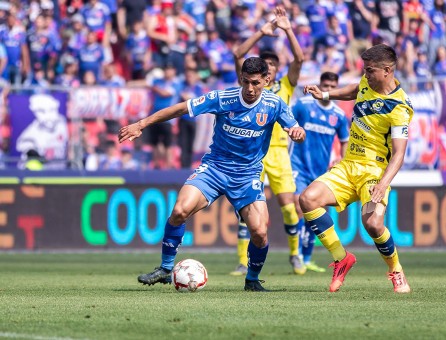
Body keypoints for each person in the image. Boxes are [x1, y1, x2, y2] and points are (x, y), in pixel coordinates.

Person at [118, 57, 306, 292]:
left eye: (256, 83)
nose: (249, 89)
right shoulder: (223, 98)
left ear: (266, 80)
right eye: (245, 82)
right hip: (215, 168)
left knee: (259, 231)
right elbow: (181, 108)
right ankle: (166, 269)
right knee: (179, 211)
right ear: (240, 78)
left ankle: (252, 280)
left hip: (247, 176)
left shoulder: (274, 104)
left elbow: (295, 128)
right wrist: (142, 124)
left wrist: (298, 133)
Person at [301, 44, 414, 293]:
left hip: (373, 172)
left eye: (370, 71)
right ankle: (341, 259)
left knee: (373, 224)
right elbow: (356, 90)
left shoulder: (399, 108)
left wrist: (383, 184)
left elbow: (399, 154)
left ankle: (396, 270)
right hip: (348, 164)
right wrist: (325, 96)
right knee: (308, 199)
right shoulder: (367, 81)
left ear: (387, 71)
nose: (366, 74)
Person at [231, 6, 305, 276]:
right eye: (267, 65)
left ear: (275, 72)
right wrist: (261, 32)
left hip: (279, 153)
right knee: (246, 211)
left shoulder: (286, 86)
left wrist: (287, 29)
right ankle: (242, 261)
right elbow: (239, 54)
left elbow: (299, 58)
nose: (271, 68)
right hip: (252, 153)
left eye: (274, 65)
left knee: (288, 206)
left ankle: (295, 255)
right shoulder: (251, 87)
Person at [291, 72, 349, 273]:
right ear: (320, 85)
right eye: (325, 85)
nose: (328, 89)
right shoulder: (303, 105)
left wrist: (340, 159)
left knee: (314, 212)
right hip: (297, 165)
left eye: (332, 86)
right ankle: (296, 254)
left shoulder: (339, 116)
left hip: (321, 170)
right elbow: (286, 121)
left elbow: (344, 141)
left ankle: (307, 258)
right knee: (299, 207)